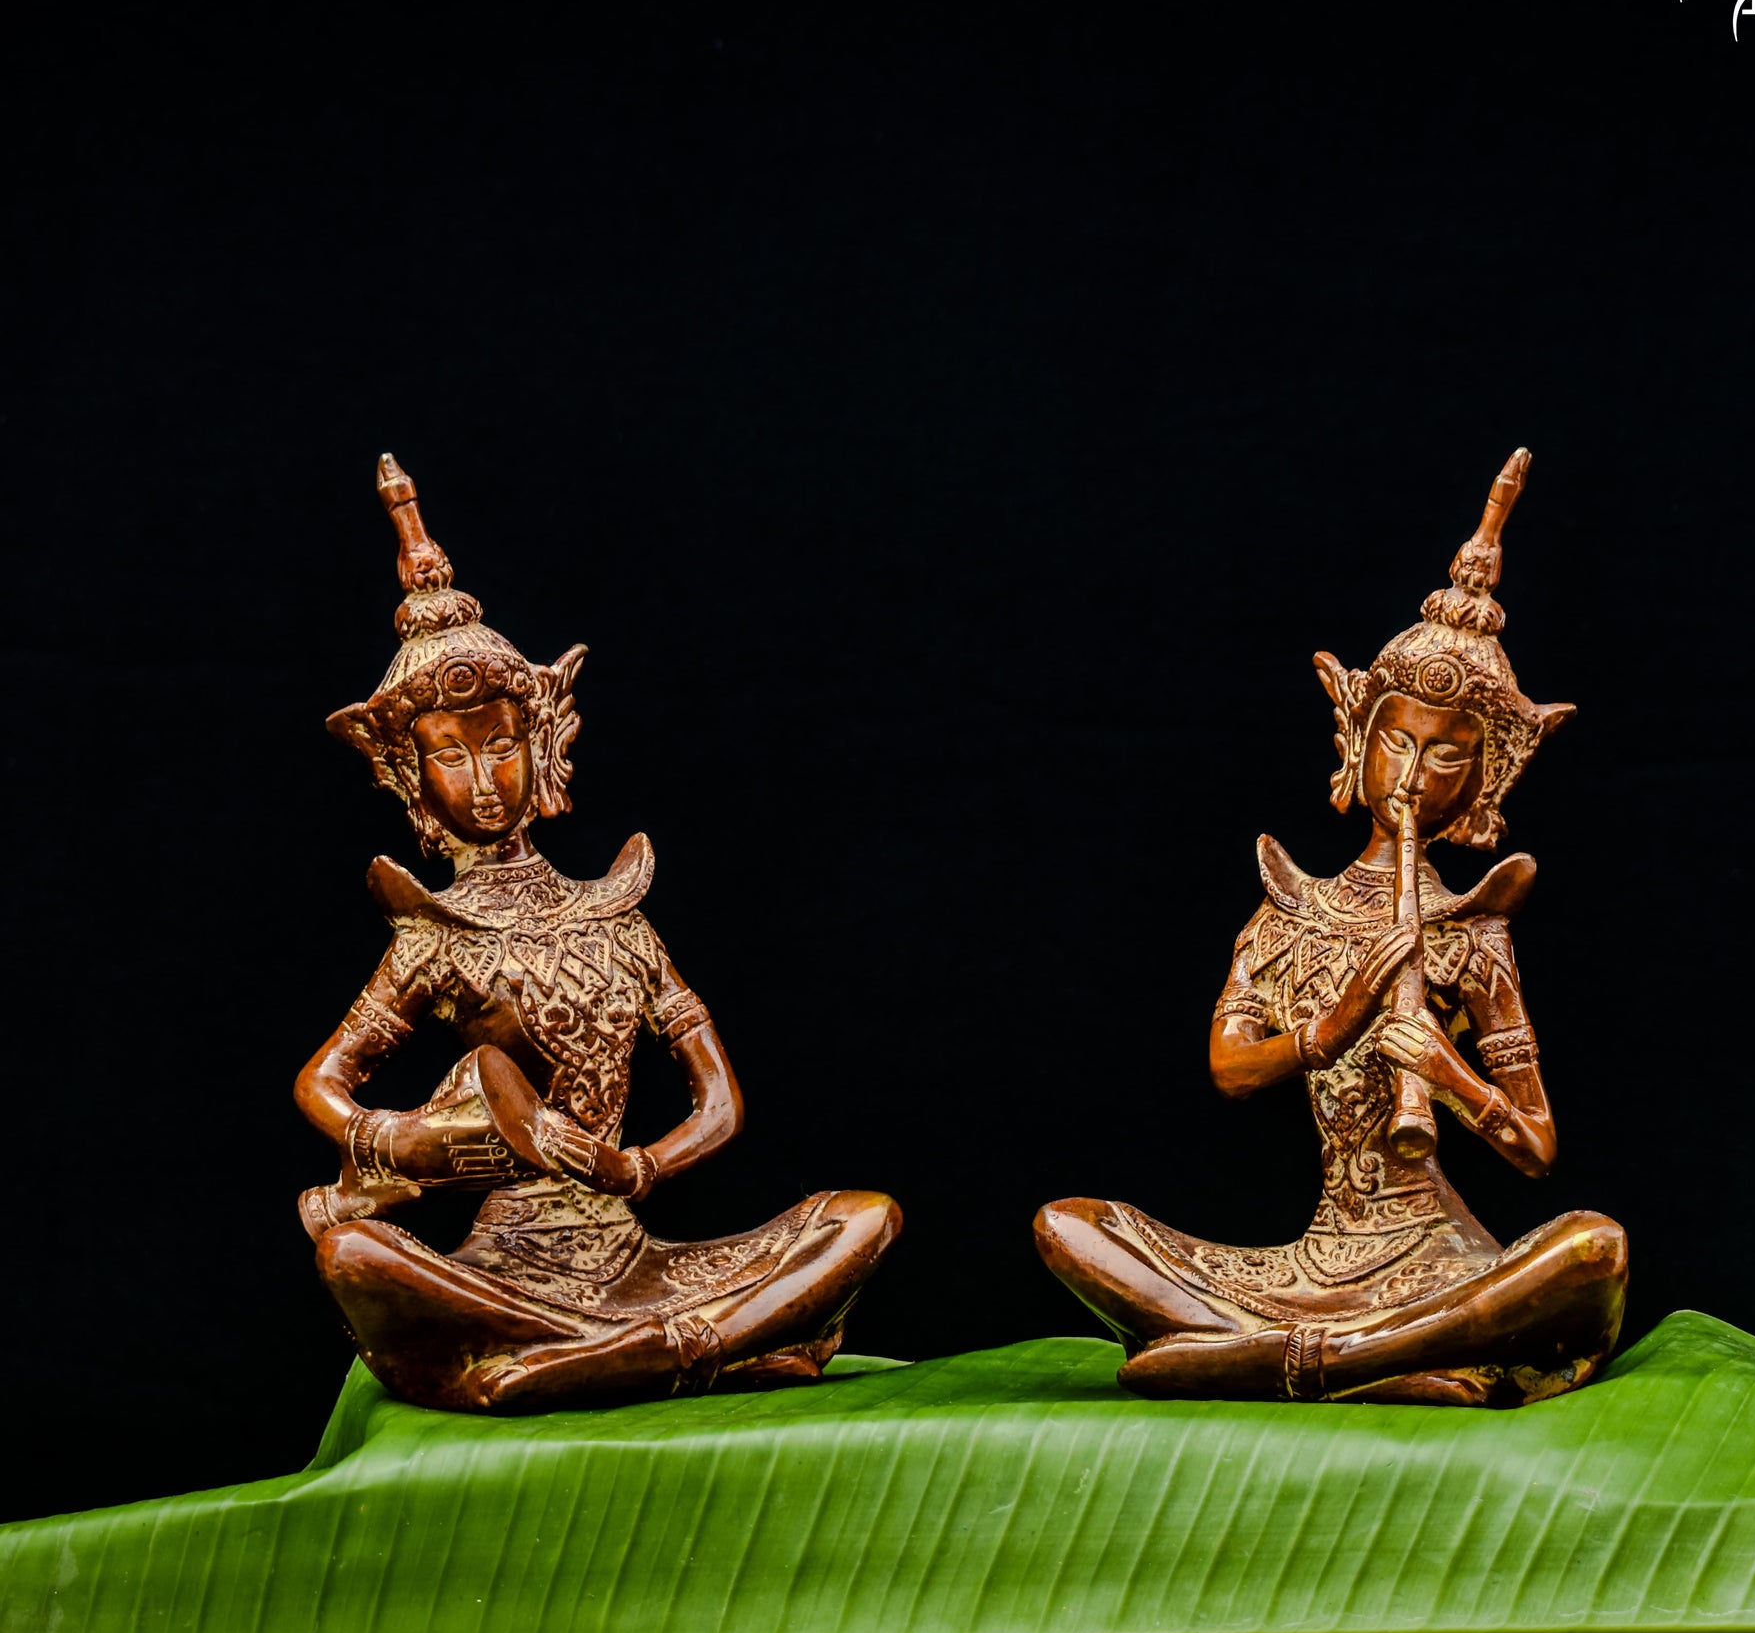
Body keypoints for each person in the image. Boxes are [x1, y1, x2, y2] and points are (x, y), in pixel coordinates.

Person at [295, 456, 899, 1411]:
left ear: (541, 749)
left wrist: (643, 1164)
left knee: (861, 1219)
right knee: (355, 1255)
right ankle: (693, 1346)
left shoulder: (616, 912)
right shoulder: (431, 934)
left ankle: (624, 1355)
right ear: (412, 778)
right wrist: (398, 1141)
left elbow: (718, 1101)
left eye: (500, 745)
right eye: (451, 756)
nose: (484, 778)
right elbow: (323, 1081)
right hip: (507, 1264)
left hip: (632, 1252)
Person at [1035, 450, 1626, 1406]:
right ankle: (1385, 1362)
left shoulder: (1472, 931)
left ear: (1483, 781)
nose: (1415, 774)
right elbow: (1230, 1070)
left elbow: (1535, 1146)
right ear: (1358, 738)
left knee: (1593, 1252)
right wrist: (1330, 1028)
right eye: (1398, 740)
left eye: (1447, 757)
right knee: (1072, 1225)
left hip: (1440, 1262)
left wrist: (1445, 1073)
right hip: (1314, 1266)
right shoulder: (1288, 909)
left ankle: (1314, 1364)